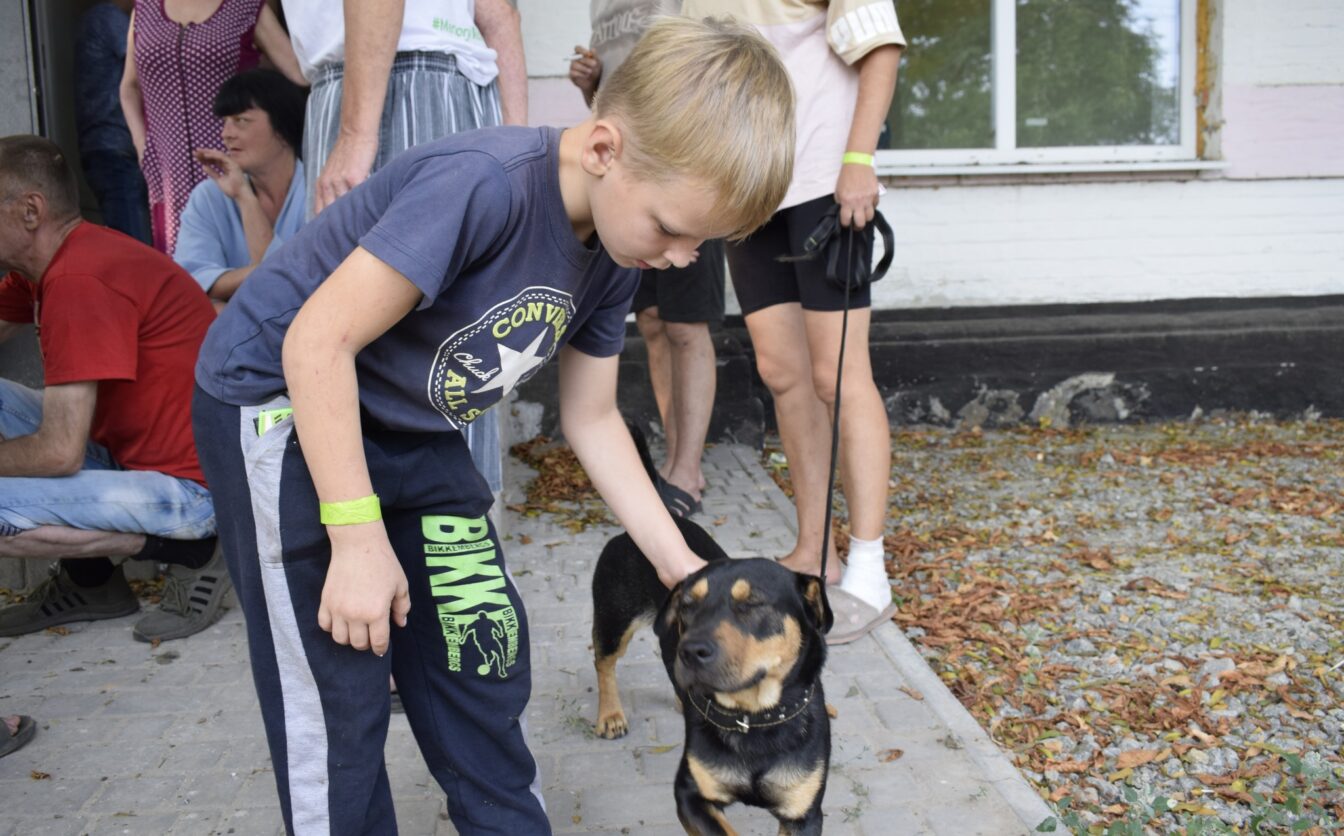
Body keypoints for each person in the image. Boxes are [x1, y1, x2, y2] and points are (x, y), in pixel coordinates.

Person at [191, 17, 794, 832]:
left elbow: (590, 417)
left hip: (410, 426)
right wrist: (359, 538)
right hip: (287, 408)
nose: (682, 259)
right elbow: (317, 342)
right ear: (606, 150)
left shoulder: (617, 254)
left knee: (480, 655)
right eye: (672, 229)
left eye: (701, 244)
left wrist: (679, 563)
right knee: (341, 685)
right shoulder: (484, 183)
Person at [682, 0, 905, 643]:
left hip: (827, 185)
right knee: (783, 374)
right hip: (750, 193)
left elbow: (880, 49)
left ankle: (869, 570)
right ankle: (814, 551)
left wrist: (859, 160)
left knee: (839, 376)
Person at [284, 0, 530, 511]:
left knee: (351, 337)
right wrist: (518, 143)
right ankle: (461, 549)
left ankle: (387, 553)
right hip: (458, 90)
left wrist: (355, 133)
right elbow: (498, 10)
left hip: (389, 85)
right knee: (461, 340)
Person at [0, 136, 226, 645]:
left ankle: (192, 553)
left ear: (31, 211)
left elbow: (59, 453)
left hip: (193, 490)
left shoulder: (79, 279)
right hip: (125, 458)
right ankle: (93, 584)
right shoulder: (49, 265)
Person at [569, 0, 723, 517]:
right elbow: (621, 106)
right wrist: (591, 86)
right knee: (654, 324)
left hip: (686, 181)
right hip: (637, 191)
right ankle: (675, 458)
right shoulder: (604, 6)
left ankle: (688, 467)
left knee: (685, 326)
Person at [120, 0, 305, 256]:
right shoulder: (145, 9)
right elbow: (129, 88)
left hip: (232, 167)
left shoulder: (245, 6)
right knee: (182, 269)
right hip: (167, 174)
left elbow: (302, 71)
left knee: (240, 259)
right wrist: (145, 150)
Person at [174, 68, 308, 309]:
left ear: (282, 127)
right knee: (211, 308)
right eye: (224, 122)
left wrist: (245, 199)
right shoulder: (209, 196)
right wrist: (243, 194)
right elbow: (190, 281)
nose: (226, 134)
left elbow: (288, 287)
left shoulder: (321, 190)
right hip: (236, 323)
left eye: (241, 121)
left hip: (306, 322)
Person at [75, 0, 152, 245]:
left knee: (130, 240)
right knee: (135, 247)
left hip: (106, 147)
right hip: (115, 148)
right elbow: (144, 62)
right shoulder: (106, 16)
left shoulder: (96, 19)